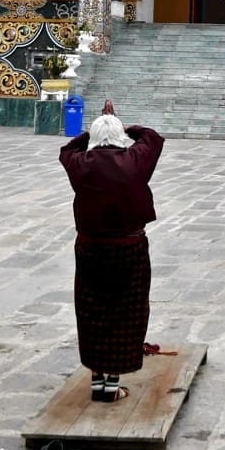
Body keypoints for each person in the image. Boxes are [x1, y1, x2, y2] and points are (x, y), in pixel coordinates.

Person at [59, 97, 164, 403]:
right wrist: (123, 124)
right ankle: (113, 383)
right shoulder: (134, 160)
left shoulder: (81, 165)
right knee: (125, 311)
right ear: (121, 137)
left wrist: (93, 132)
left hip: (90, 247)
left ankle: (97, 381)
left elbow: (67, 150)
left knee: (93, 309)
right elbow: (153, 138)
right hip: (129, 246)